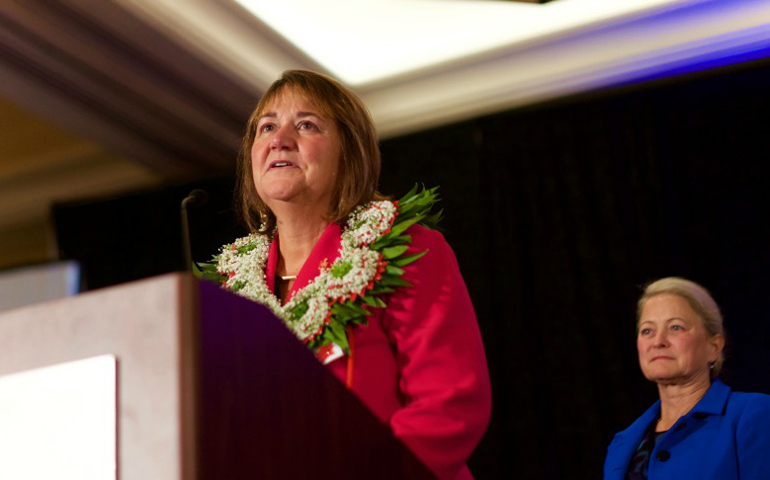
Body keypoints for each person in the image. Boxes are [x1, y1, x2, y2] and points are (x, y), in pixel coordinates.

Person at [212, 69, 491, 480]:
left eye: (306, 125)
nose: (279, 139)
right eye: (266, 126)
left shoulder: (407, 249)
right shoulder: (228, 293)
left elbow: (448, 404)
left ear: (350, 151)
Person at [603, 277, 770, 480]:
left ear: (714, 346)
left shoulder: (753, 414)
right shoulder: (621, 444)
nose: (658, 341)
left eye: (675, 327)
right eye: (647, 331)